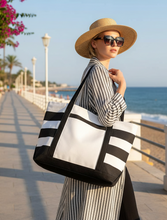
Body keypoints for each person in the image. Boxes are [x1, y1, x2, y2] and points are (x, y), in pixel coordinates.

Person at [56, 18, 140, 220]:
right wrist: (122, 87)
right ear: (94, 43)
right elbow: (108, 117)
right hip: (101, 155)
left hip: (94, 153)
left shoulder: (92, 69)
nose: (114, 44)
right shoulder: (98, 72)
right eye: (108, 39)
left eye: (118, 40)